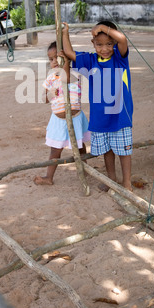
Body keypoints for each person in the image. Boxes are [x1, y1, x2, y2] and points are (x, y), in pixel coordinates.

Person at [62, 21, 133, 191]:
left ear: (114, 44)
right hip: (100, 117)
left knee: (124, 151)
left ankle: (127, 183)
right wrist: (65, 33)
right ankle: (112, 178)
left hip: (120, 115)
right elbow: (69, 53)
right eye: (99, 44)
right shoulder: (91, 60)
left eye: (109, 44)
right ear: (92, 43)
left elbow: (123, 39)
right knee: (107, 151)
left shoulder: (120, 59)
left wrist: (103, 28)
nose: (105, 49)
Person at [34, 41, 90, 185]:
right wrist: (51, 93)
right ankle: (49, 177)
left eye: (57, 58)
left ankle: (85, 169)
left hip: (76, 118)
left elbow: (66, 78)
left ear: (66, 58)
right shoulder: (51, 79)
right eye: (51, 59)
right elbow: (44, 99)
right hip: (58, 121)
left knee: (80, 147)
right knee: (55, 151)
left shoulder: (74, 74)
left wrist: (66, 61)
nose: (54, 62)